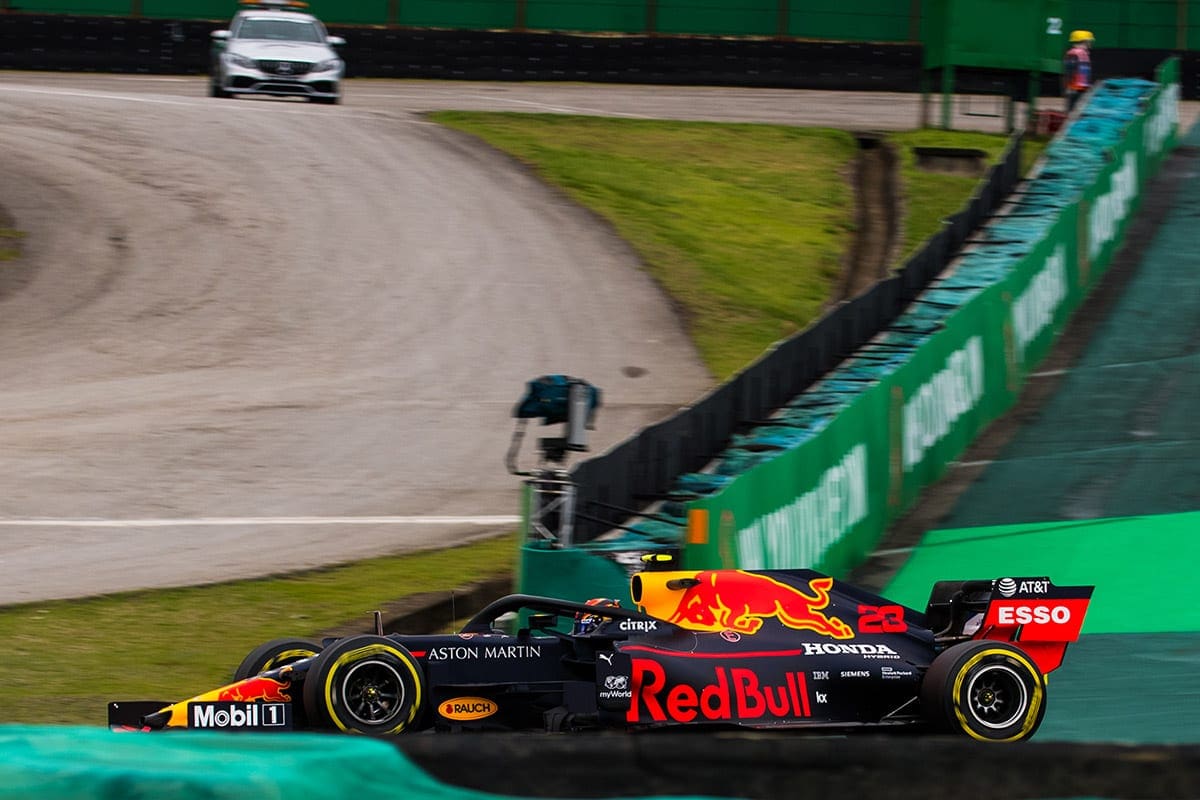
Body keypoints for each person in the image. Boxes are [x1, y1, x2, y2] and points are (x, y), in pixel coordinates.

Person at [1063, 30, 1095, 113]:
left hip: (1081, 88)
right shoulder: (1073, 54)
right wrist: (1069, 87)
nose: (1090, 43)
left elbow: (1084, 71)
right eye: (1089, 41)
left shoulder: (1083, 53)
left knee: (1078, 111)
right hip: (1075, 89)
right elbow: (1069, 71)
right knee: (1072, 111)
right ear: (1084, 41)